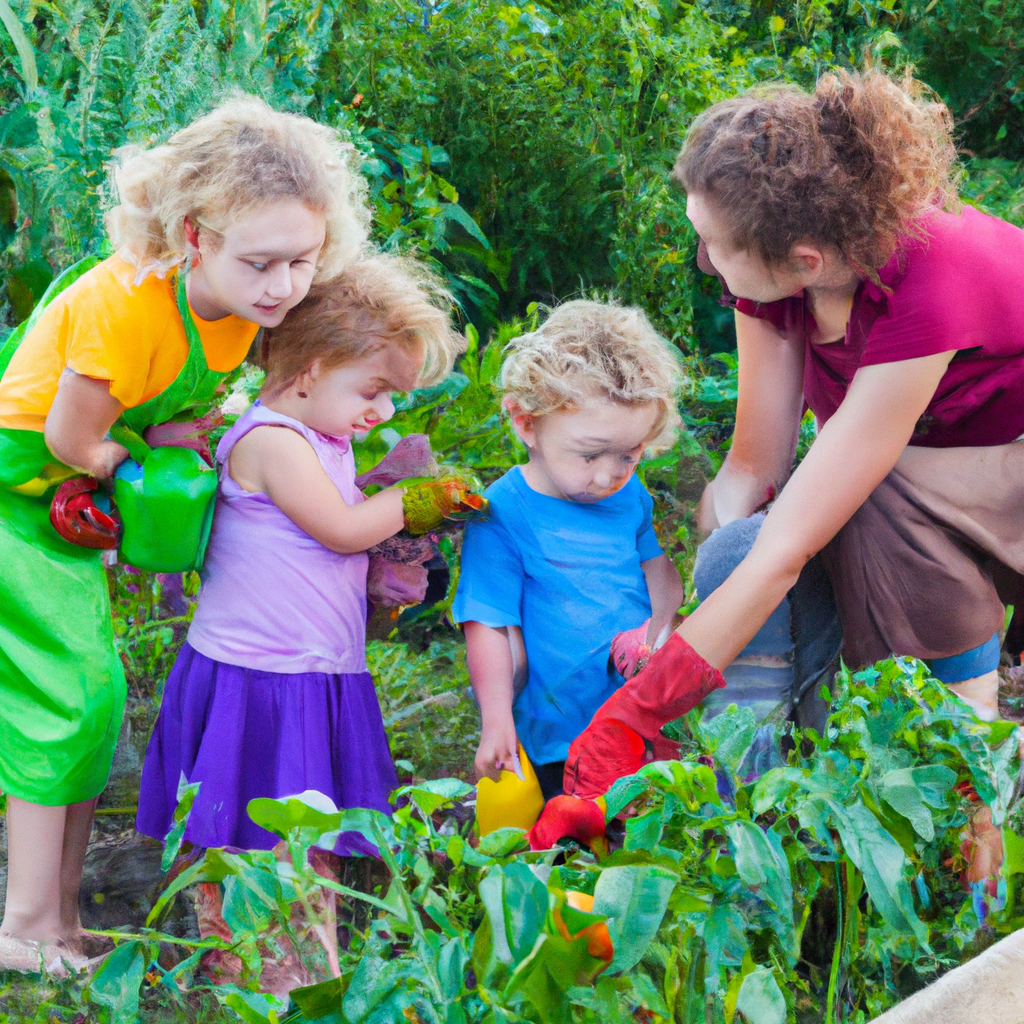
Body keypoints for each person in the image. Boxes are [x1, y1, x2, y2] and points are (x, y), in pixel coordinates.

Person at [560, 69, 1024, 806]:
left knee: (872, 500)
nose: (704, 259)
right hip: (924, 468)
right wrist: (685, 632)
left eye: (712, 243)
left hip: (1003, 468)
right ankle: (775, 791)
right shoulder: (775, 275)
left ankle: (969, 759)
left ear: (805, 258)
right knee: (734, 549)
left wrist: (638, 713)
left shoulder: (934, 280)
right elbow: (753, 471)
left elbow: (794, 541)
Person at [0, 94, 370, 974]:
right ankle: (21, 926)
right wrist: (142, 485)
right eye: (260, 261)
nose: (283, 284)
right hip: (20, 494)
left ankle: (57, 923)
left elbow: (148, 415)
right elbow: (71, 439)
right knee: (75, 698)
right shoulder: (126, 304)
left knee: (89, 710)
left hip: (64, 508)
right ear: (194, 235)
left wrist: (160, 440)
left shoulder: (246, 310)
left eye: (301, 260)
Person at [136, 253, 468, 863]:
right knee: (246, 832)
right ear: (311, 371)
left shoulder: (324, 438)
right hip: (258, 675)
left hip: (313, 669)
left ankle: (302, 951)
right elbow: (342, 530)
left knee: (306, 839)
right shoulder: (273, 442)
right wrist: (416, 498)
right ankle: (240, 952)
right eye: (375, 390)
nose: (385, 411)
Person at [453, 300, 686, 801]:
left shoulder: (629, 494)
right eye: (589, 454)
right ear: (527, 424)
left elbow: (657, 573)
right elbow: (487, 623)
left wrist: (657, 631)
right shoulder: (503, 513)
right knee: (568, 843)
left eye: (630, 454)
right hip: (558, 729)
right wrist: (495, 722)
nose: (609, 475)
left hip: (635, 714)